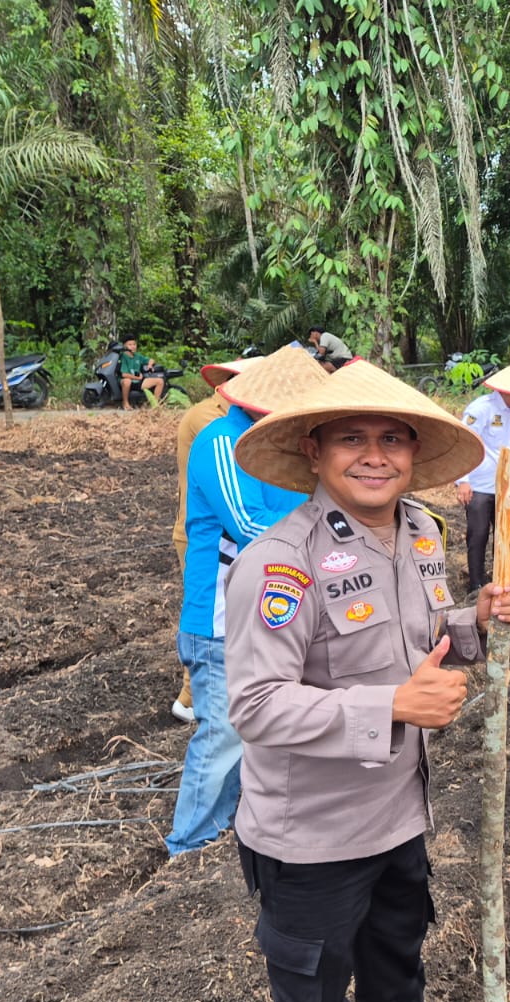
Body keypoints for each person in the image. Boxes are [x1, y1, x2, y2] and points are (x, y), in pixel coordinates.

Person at [225, 358, 510, 1002]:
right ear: (315, 452)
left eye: (392, 438)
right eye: (352, 438)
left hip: (398, 811)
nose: (375, 454)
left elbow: (419, 637)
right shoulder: (281, 563)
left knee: (397, 951)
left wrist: (475, 622)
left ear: (413, 451)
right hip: (311, 832)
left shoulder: (423, 534)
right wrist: (391, 704)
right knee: (316, 992)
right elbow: (255, 705)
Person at [168, 345, 325, 857]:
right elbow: (250, 527)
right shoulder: (221, 440)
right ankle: (189, 843)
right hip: (221, 616)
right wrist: (329, 553)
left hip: (277, 611)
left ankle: (234, 826)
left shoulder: (291, 450)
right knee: (224, 736)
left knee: (264, 728)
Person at [168, 356, 259, 723]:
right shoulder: (214, 423)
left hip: (227, 529)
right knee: (212, 618)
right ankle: (191, 699)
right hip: (209, 534)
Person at [454, 361, 510, 594]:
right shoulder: (481, 409)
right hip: (478, 484)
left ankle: (500, 578)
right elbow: (464, 443)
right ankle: (475, 583)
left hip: (504, 484)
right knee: (478, 534)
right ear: (508, 390)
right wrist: (462, 480)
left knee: (504, 534)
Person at [117, 336, 164, 409]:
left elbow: (151, 360)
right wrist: (137, 377)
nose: (133, 346)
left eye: (134, 344)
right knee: (127, 381)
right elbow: (124, 374)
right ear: (125, 346)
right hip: (127, 380)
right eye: (130, 345)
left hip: (138, 381)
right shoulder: (123, 356)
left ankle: (155, 405)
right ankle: (125, 403)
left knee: (160, 381)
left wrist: (149, 364)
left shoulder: (138, 356)